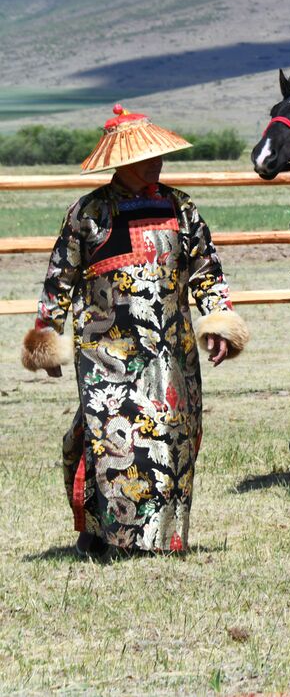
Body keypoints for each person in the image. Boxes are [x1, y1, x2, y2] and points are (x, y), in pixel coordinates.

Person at [20, 106, 250, 556]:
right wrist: (48, 339)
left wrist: (219, 323)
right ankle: (107, 536)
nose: (155, 163)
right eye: (145, 156)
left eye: (157, 154)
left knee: (172, 441)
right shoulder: (88, 213)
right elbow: (60, 279)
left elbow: (206, 270)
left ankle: (163, 538)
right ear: (120, 161)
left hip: (172, 351)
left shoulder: (181, 208)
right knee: (110, 441)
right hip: (107, 353)